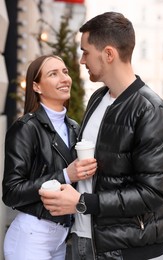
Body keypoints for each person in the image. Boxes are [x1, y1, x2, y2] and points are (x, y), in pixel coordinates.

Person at [39, 12, 163, 260]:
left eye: (86, 52)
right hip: (82, 238)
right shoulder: (97, 98)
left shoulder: (151, 110)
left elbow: (153, 193)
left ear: (109, 54)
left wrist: (82, 202)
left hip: (122, 248)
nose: (81, 61)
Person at [2, 54, 97, 260]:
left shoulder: (74, 127)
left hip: (61, 238)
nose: (64, 78)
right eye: (53, 74)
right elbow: (11, 192)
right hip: (31, 237)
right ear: (36, 87)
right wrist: (65, 175)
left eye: (65, 72)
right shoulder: (26, 128)